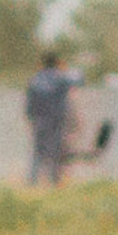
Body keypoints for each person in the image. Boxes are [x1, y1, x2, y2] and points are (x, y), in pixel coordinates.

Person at [24, 48, 80, 185]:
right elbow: (80, 79)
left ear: (42, 63)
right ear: (56, 62)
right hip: (56, 119)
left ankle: (33, 180)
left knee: (38, 150)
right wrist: (64, 69)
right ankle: (54, 180)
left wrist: (30, 117)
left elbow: (29, 102)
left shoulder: (35, 79)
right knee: (55, 150)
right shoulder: (60, 78)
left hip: (39, 119)